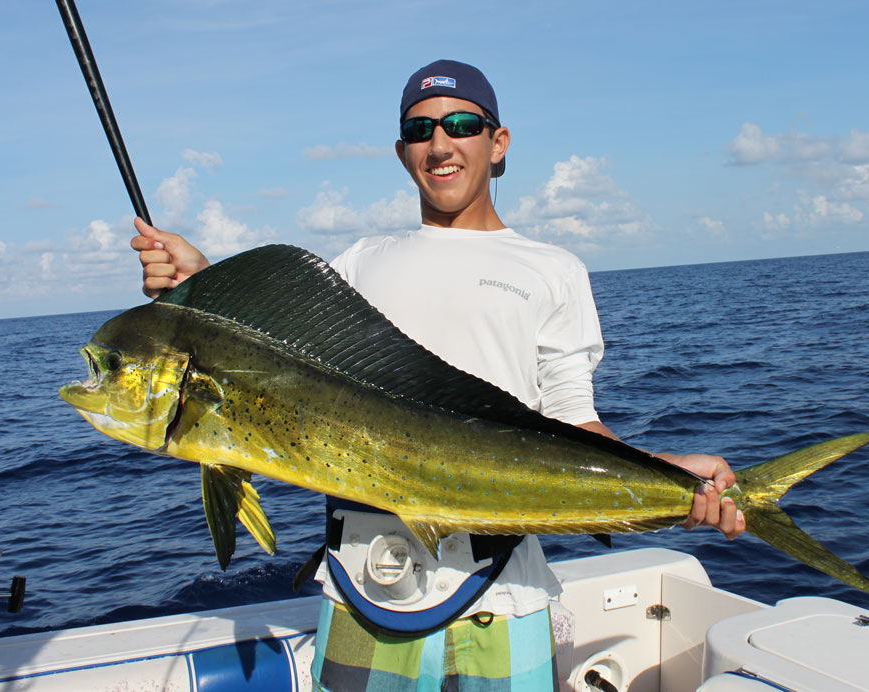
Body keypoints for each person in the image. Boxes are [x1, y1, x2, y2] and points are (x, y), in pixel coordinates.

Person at [131, 59, 744, 692]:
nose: (440, 144)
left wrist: (668, 477)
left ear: (497, 141)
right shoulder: (360, 263)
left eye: (460, 124)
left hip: (500, 598)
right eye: (420, 130)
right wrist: (201, 286)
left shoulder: (553, 270)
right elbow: (276, 366)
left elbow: (572, 428)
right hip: (364, 592)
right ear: (402, 152)